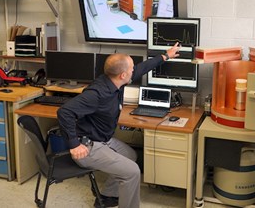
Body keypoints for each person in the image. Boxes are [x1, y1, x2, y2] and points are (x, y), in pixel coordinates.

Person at [57, 43, 180, 208]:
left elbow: (141, 68)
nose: (133, 72)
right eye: (131, 70)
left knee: (130, 155)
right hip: (87, 148)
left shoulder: (113, 81)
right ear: (123, 75)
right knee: (132, 171)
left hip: (103, 140)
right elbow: (65, 112)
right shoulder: (97, 94)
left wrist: (166, 55)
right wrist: (74, 144)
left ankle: (108, 196)